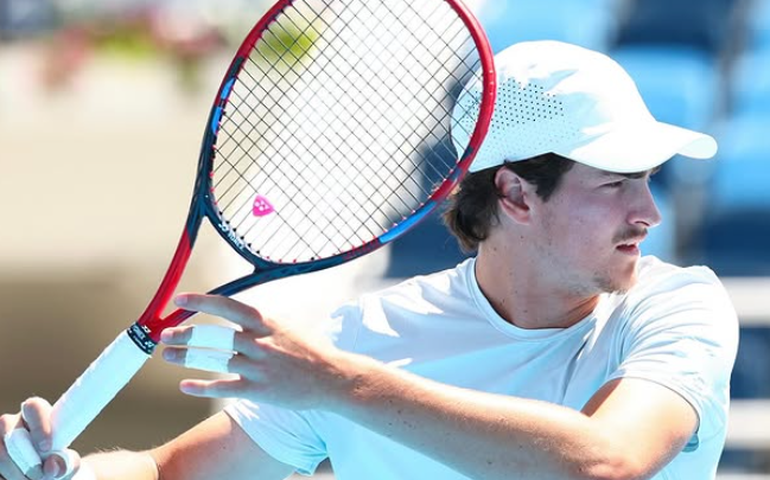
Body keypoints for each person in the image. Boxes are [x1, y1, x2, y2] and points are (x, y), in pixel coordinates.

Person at [0, 40, 738, 480]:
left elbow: (607, 463)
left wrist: (341, 384)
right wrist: (65, 469)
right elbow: (170, 472)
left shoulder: (676, 308)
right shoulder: (358, 339)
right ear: (514, 193)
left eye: (647, 181)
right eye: (616, 185)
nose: (648, 212)